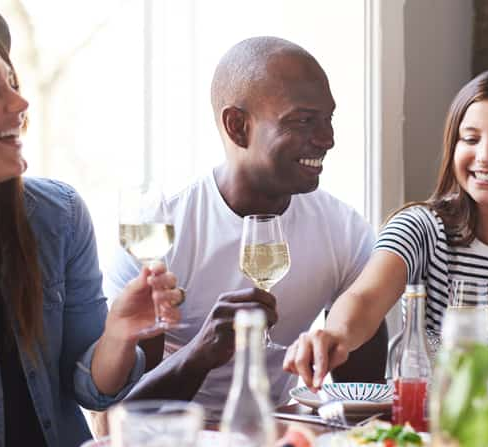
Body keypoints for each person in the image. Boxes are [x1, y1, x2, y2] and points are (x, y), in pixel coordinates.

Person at [0, 9, 184, 447]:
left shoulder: (58, 215)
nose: (20, 103)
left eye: (13, 83)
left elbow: (89, 387)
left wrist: (119, 335)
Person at [105, 36, 386, 424]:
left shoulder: (345, 230)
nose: (328, 139)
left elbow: (366, 400)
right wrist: (201, 352)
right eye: (304, 120)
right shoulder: (161, 233)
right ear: (237, 126)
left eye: (328, 119)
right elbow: (119, 418)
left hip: (286, 433)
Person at [283, 69, 488, 389]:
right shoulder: (419, 226)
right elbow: (364, 299)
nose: (485, 156)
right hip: (437, 421)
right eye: (470, 139)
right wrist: (333, 336)